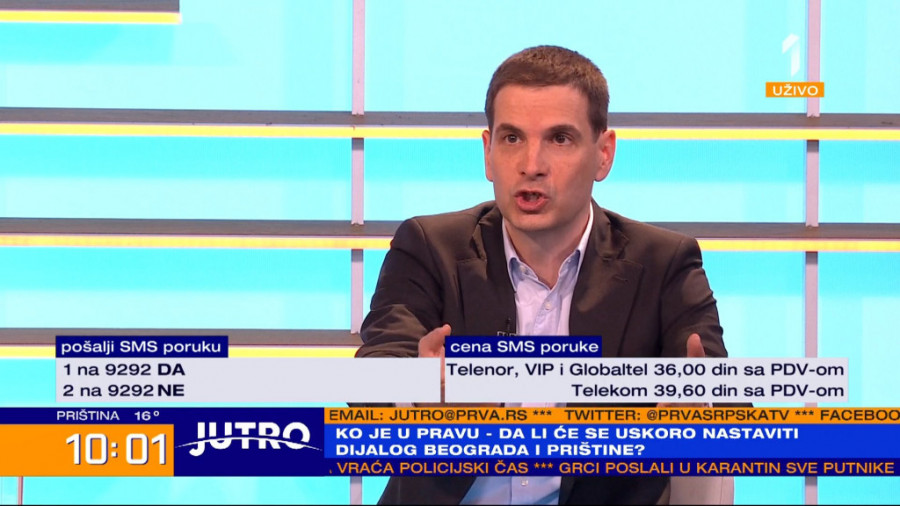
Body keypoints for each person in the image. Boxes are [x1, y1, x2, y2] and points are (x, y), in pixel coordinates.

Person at [356, 45, 728, 505]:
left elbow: (722, 398)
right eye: (512, 138)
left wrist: (699, 408)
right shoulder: (429, 247)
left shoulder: (663, 262)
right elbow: (375, 373)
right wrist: (420, 392)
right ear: (488, 152)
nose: (531, 165)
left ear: (603, 154)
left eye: (560, 139)